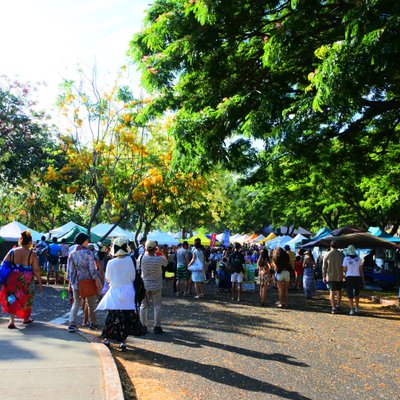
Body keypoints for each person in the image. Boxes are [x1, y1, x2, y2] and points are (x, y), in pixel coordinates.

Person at [97, 237, 144, 351]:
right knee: (125, 317)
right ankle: (123, 342)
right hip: (128, 292)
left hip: (114, 291)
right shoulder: (131, 260)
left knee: (112, 316)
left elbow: (107, 279)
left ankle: (107, 339)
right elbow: (133, 277)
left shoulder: (111, 262)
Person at [0, 231, 42, 329]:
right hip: (26, 278)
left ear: (21, 240)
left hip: (13, 277)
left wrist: (4, 277)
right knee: (27, 297)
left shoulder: (13, 251)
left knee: (11, 297)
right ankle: (26, 318)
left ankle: (12, 320)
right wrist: (40, 282)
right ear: (30, 242)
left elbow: (4, 263)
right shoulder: (32, 254)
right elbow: (36, 269)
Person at [67, 232, 101, 333]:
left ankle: (71, 323)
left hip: (76, 283)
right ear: (83, 241)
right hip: (88, 282)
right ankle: (93, 323)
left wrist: (70, 283)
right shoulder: (88, 253)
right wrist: (97, 280)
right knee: (91, 304)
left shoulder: (71, 254)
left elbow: (69, 271)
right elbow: (92, 270)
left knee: (76, 302)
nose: (88, 242)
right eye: (87, 240)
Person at [139, 240, 168, 333]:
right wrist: (161, 252)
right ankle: (157, 326)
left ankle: (143, 325)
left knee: (143, 306)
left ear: (145, 248)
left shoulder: (141, 258)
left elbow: (137, 267)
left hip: (145, 285)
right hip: (156, 285)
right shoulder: (159, 259)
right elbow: (166, 263)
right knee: (157, 306)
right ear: (155, 248)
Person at [343, 245, 366, 315]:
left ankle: (352, 309)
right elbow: (361, 270)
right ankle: (357, 307)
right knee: (357, 293)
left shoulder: (346, 258)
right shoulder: (359, 259)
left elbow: (344, 269)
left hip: (349, 277)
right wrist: (363, 279)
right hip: (357, 277)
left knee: (350, 293)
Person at [322, 240, 344, 314]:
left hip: (330, 276)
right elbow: (344, 266)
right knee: (339, 291)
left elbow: (324, 267)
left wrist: (324, 276)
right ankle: (338, 305)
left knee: (332, 292)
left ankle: (333, 307)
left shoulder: (327, 254)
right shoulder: (341, 254)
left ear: (330, 246)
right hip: (339, 275)